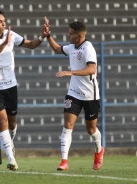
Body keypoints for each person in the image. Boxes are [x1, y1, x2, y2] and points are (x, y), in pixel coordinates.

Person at [0, 9, 48, 171]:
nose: (3, 24)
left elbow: (30, 45)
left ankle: (10, 140)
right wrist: (4, 42)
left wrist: (42, 37)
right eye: (0, 22)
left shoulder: (11, 34)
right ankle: (11, 158)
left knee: (12, 122)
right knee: (2, 121)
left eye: (4, 21)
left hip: (10, 85)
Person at [43, 17, 105, 171]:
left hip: (90, 95)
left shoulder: (88, 48)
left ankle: (99, 151)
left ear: (79, 36)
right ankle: (64, 161)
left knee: (91, 130)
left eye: (70, 34)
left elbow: (92, 69)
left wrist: (70, 72)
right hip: (73, 94)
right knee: (68, 125)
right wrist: (48, 36)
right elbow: (57, 49)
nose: (68, 35)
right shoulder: (71, 47)